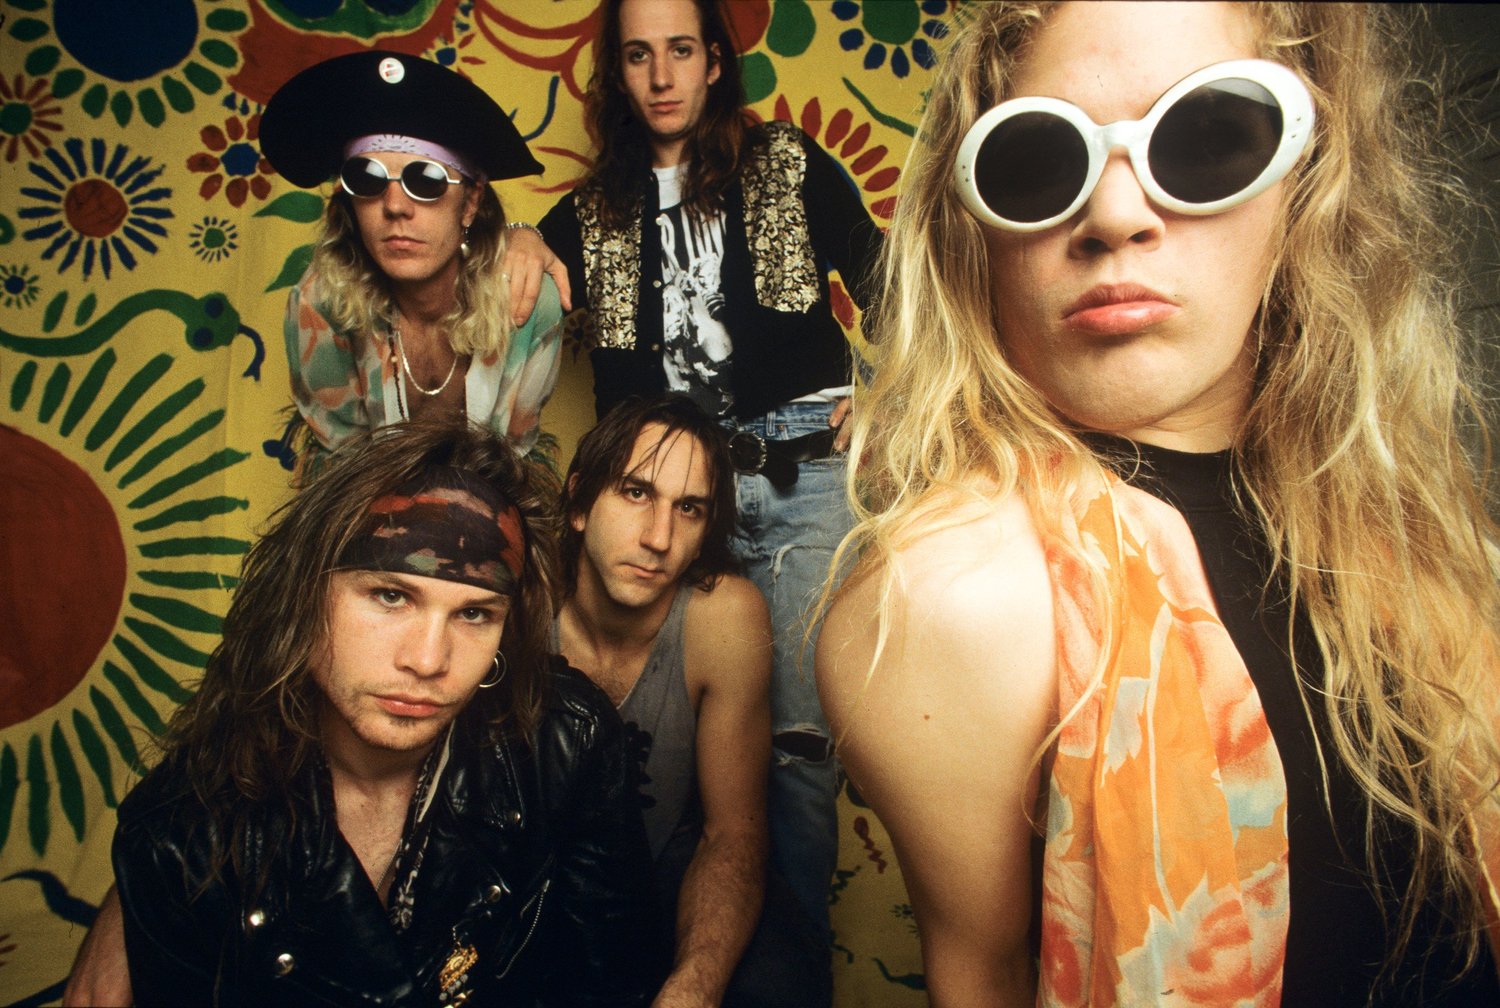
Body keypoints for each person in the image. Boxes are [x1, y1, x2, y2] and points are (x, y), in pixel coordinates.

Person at [817, 3, 1500, 1006]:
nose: (1113, 214)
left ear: (1307, 186)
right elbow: (983, 975)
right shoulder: (958, 596)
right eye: (1038, 160)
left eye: (1207, 136)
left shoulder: (1405, 518)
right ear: (976, 233)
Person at [71, 418, 668, 1005]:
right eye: (391, 596)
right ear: (304, 596)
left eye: (474, 614)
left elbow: (613, 986)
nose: (428, 660)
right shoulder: (182, 835)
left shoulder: (568, 743)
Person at [530, 0, 885, 954]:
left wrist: (897, 395)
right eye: (638, 56)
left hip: (803, 477)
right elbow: (506, 318)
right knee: (653, 744)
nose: (661, 77)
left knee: (798, 749)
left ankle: (781, 983)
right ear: (617, 73)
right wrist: (512, 239)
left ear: (716, 61)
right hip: (669, 494)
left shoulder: (786, 164)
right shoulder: (590, 211)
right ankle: (648, 968)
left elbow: (897, 289)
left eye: (680, 50)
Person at [556, 395, 829, 1006]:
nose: (659, 538)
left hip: (664, 868)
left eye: (689, 508)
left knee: (779, 979)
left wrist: (694, 988)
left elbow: (731, 833)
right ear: (578, 503)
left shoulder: (722, 618)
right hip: (537, 883)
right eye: (635, 493)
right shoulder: (516, 605)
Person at [258, 50, 570, 472]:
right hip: (361, 504)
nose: (394, 206)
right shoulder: (321, 302)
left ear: (470, 203)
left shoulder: (527, 301)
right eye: (367, 179)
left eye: (425, 181)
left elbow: (514, 463)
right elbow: (340, 468)